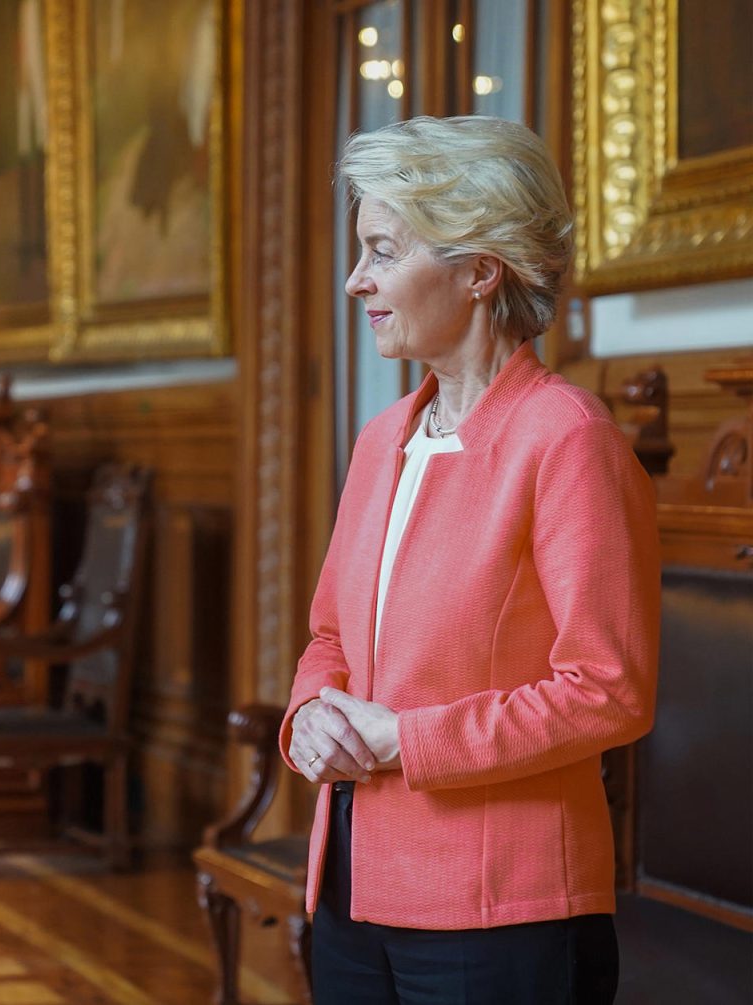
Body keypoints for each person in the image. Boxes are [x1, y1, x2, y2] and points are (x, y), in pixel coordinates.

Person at [280, 116, 659, 1004]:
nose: (355, 279)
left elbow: (609, 689)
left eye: (381, 250)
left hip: (502, 915)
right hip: (349, 887)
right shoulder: (381, 440)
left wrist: (405, 739)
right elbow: (330, 637)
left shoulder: (569, 440)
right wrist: (306, 718)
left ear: (480, 271)